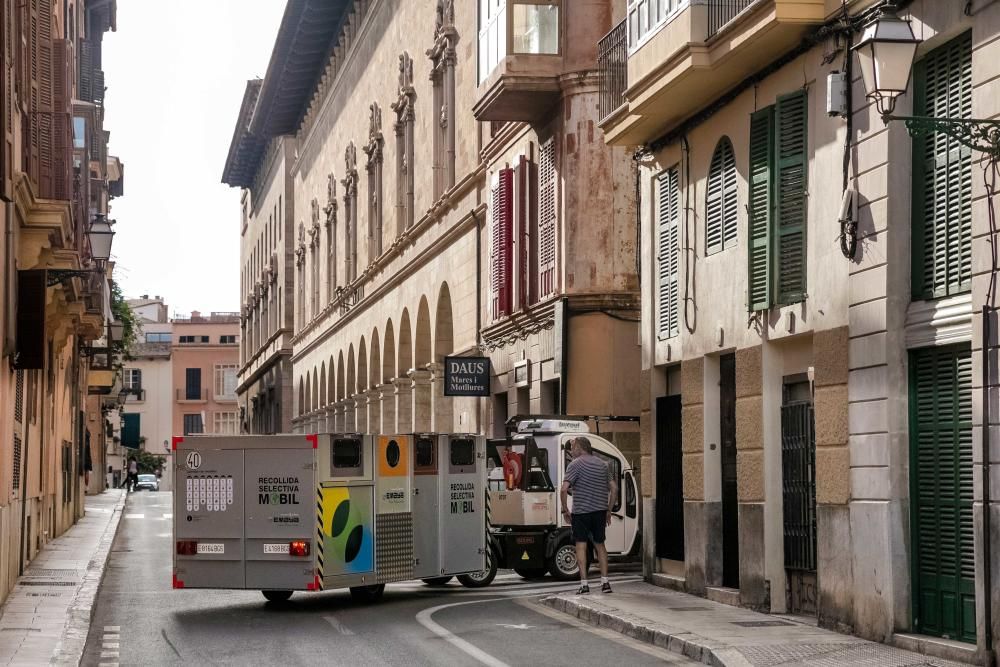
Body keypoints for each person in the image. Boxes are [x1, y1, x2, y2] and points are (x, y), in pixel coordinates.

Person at [560, 436, 617, 594]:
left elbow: (564, 489)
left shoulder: (575, 465)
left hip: (581, 513)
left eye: (573, 448)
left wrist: (565, 510)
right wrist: (609, 510)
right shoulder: (603, 464)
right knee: (600, 545)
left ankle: (584, 585)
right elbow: (614, 488)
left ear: (580, 447)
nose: (571, 451)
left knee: (581, 545)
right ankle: (605, 583)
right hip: (599, 511)